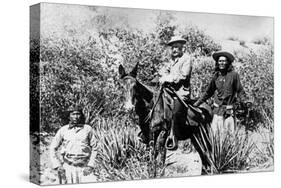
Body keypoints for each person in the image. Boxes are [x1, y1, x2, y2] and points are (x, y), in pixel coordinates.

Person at [194, 51, 247, 136]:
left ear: (228, 62)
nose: (221, 63)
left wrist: (245, 101)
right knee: (215, 136)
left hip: (229, 112)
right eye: (220, 61)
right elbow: (208, 92)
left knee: (229, 137)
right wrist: (197, 103)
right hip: (217, 112)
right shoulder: (216, 76)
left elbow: (240, 90)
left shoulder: (234, 75)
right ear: (217, 63)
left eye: (224, 61)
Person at [49, 106, 98, 184]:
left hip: (84, 167)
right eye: (73, 114)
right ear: (69, 116)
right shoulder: (63, 130)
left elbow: (95, 148)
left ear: (81, 115)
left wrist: (90, 165)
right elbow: (52, 148)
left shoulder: (88, 129)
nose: (75, 117)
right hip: (67, 167)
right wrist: (57, 165)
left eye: (78, 114)